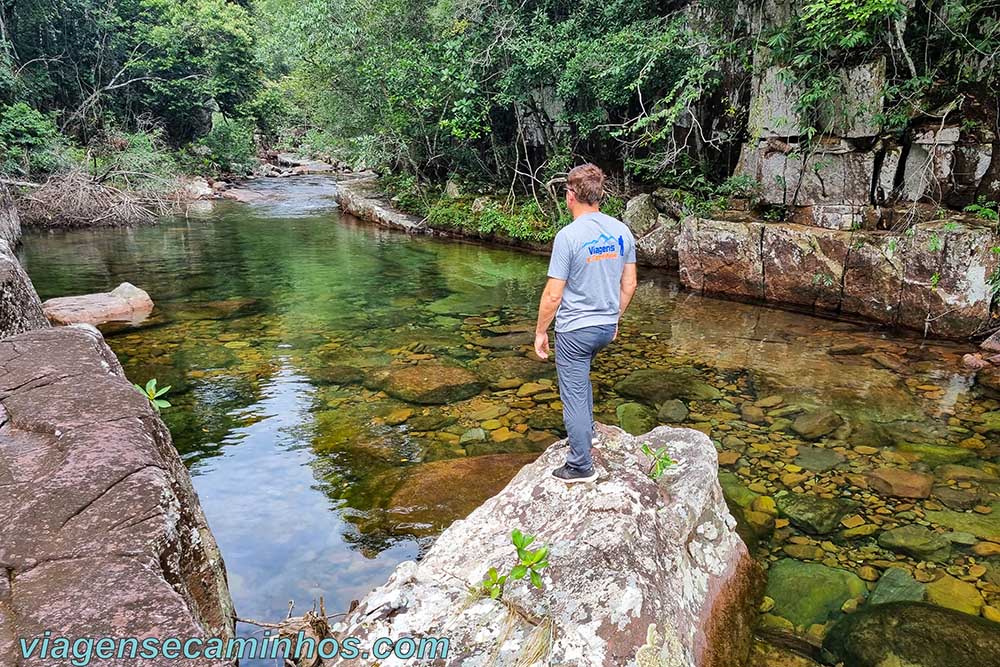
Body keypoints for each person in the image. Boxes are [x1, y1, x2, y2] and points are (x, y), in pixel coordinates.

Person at [533, 163, 637, 483]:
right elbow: (629, 284)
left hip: (575, 330)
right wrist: (613, 318)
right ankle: (588, 432)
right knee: (581, 380)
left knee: (573, 392)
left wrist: (540, 332)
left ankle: (580, 466)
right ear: (599, 195)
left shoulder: (568, 237)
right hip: (605, 327)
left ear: (570, 196)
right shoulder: (621, 231)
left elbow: (553, 295)